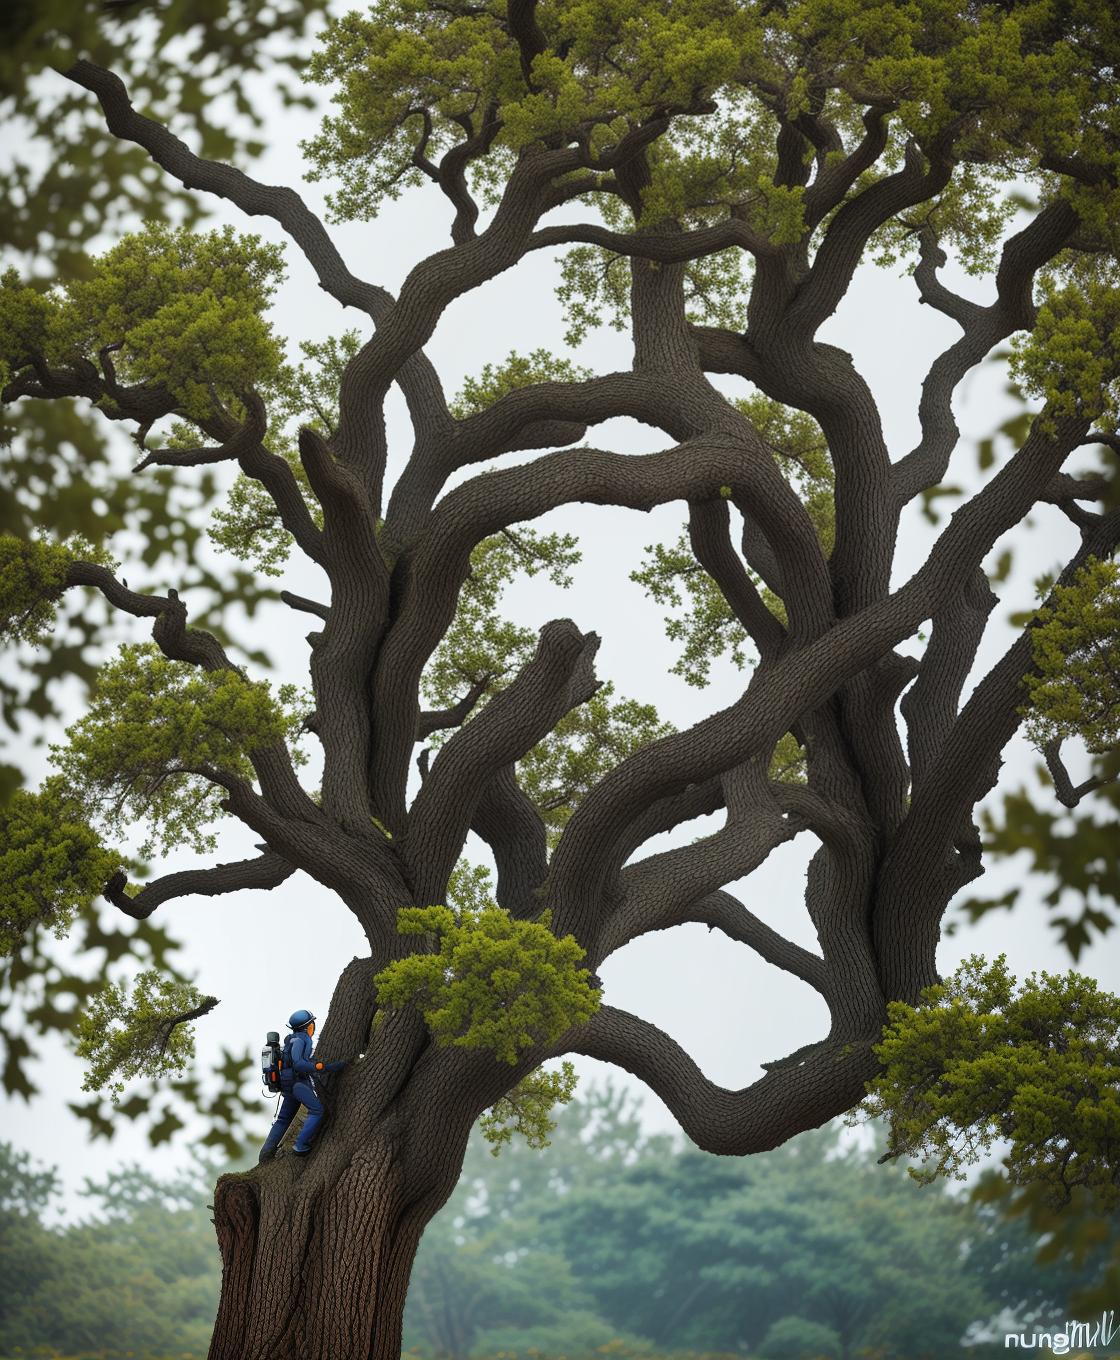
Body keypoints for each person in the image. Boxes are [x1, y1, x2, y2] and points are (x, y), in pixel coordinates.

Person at [258, 1009, 345, 1163]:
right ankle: (300, 1145)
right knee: (317, 1110)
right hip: (297, 1084)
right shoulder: (302, 1040)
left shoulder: (289, 1042)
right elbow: (299, 1063)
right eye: (312, 1024)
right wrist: (317, 1067)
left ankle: (265, 1154)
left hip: (286, 1085)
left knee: (283, 1119)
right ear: (308, 1027)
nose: (313, 1027)